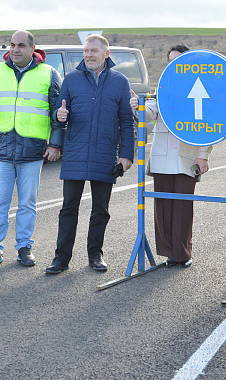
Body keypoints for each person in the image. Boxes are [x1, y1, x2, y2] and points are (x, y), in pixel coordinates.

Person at [0, 30, 63, 268]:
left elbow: (58, 112)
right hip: (0, 149)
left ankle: (24, 247)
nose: (15, 49)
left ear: (32, 48)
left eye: (21, 45)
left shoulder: (49, 74)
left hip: (32, 150)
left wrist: (55, 144)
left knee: (27, 203)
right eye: (12, 45)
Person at [45, 35, 134, 273]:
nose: (89, 55)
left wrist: (126, 155)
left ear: (106, 53)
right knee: (68, 208)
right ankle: (61, 258)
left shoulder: (120, 81)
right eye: (86, 51)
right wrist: (59, 116)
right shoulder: (72, 79)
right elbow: (58, 113)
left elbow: (127, 121)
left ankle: (95, 255)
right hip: (75, 152)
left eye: (94, 51)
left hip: (105, 154)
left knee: (101, 209)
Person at [125, 44, 211, 268]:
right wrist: (138, 106)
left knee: (183, 208)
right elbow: (150, 113)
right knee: (163, 207)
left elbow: (210, 127)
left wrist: (203, 156)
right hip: (162, 157)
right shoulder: (163, 87)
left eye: (179, 59)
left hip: (187, 156)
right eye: (171, 60)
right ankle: (169, 253)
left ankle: (183, 253)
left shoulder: (200, 87)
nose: (174, 64)